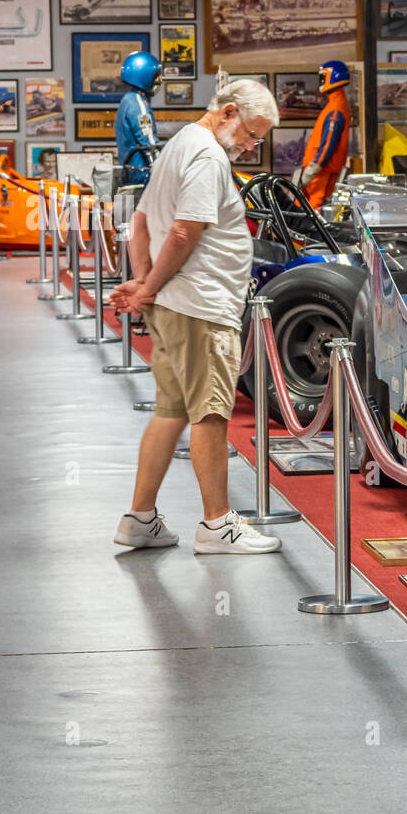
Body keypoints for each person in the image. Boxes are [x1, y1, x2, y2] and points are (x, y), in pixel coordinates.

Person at [108, 80, 283, 555]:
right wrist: (146, 287)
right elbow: (184, 232)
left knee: (172, 410)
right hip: (201, 307)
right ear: (229, 112)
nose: (251, 146)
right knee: (210, 412)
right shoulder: (208, 156)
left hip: (175, 306)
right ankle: (218, 525)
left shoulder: (180, 143)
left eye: (258, 140)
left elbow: (141, 221)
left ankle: (140, 519)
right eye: (251, 134)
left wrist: (145, 282)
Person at [294, 60, 351, 208]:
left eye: (323, 77)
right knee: (306, 210)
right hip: (318, 174)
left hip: (322, 174)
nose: (321, 81)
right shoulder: (335, 105)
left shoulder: (336, 109)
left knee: (316, 211)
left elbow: (328, 144)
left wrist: (313, 169)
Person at [115, 51, 162, 185]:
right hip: (142, 176)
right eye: (156, 76)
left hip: (131, 174)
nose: (159, 81)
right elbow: (148, 143)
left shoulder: (128, 100)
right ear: (144, 76)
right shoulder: (138, 103)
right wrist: (164, 171)